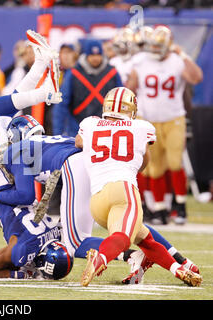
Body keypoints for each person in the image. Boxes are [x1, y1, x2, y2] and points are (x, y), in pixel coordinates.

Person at [0, 30, 199, 285]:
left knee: (76, 240)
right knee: (133, 223)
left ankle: (129, 256)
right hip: (97, 165)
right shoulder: (52, 139)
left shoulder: (16, 151)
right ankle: (180, 261)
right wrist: (39, 68)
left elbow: (25, 195)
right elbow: (10, 103)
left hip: (77, 167)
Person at [75, 86, 202, 287]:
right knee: (123, 239)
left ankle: (179, 270)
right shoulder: (142, 127)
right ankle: (100, 259)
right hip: (123, 191)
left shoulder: (89, 123)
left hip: (97, 199)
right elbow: (144, 161)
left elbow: (79, 142)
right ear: (130, 109)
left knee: (145, 239)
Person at [127, 26, 203, 225]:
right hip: (147, 119)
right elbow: (130, 88)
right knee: (154, 167)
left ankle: (180, 205)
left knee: (175, 162)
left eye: (159, 45)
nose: (155, 49)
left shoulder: (177, 61)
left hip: (173, 118)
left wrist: (183, 54)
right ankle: (159, 209)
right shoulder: (141, 61)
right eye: (153, 45)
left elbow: (196, 78)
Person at [53, 39, 122, 137]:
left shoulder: (112, 73)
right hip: (77, 129)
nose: (95, 58)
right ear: (86, 55)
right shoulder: (74, 73)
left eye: (98, 55)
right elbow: (61, 104)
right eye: (92, 55)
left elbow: (121, 100)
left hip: (106, 130)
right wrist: (58, 133)